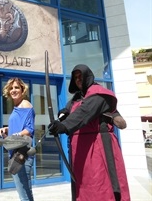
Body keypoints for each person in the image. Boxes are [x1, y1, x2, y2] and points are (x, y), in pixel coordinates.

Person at [48, 64, 130, 201]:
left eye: (81, 76)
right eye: (75, 78)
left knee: (100, 186)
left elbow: (84, 112)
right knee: (83, 187)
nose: (78, 80)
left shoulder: (99, 94)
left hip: (98, 148)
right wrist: (63, 114)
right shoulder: (76, 99)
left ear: (88, 76)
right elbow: (69, 110)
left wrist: (64, 126)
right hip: (80, 151)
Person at [0, 78, 35, 201]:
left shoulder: (25, 104)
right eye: (11, 88)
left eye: (16, 87)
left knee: (25, 195)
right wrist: (8, 129)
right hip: (15, 153)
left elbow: (29, 130)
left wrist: (15, 136)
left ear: (22, 89)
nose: (13, 90)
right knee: (24, 193)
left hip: (22, 155)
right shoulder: (17, 106)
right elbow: (20, 126)